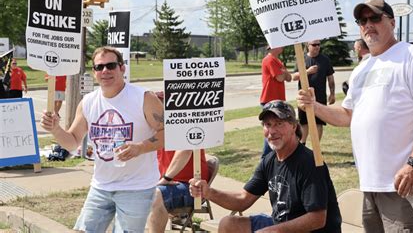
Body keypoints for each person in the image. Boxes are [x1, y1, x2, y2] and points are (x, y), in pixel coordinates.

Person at [297, 0, 413, 233]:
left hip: (401, 184)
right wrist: (314, 105)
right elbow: (347, 115)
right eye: (362, 20)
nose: (368, 24)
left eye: (375, 18)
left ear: (392, 22)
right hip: (369, 185)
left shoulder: (412, 56)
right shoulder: (362, 68)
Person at [40, 46, 164, 232]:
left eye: (111, 65)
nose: (105, 71)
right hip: (101, 186)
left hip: (136, 187)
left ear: (122, 68)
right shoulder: (88, 102)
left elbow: (168, 133)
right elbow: (73, 141)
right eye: (99, 67)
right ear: (94, 72)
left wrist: (140, 147)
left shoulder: (143, 98)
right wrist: (56, 129)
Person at [189, 100, 342, 233]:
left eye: (279, 124)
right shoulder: (269, 160)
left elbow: (317, 219)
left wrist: (274, 230)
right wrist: (208, 192)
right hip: (280, 224)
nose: (272, 131)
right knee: (229, 224)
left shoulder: (310, 162)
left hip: (311, 230)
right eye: (268, 125)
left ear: (294, 126)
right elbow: (243, 199)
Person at [148, 149, 209, 232]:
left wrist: (166, 178)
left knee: (155, 195)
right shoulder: (158, 136)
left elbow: (185, 150)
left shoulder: (180, 136)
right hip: (167, 183)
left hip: (193, 187)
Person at [291, 39, 335, 141]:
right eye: (314, 44)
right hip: (304, 96)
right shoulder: (302, 59)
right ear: (308, 45)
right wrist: (307, 71)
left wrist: (332, 94)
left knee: (318, 122)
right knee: (304, 122)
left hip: (320, 96)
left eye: (319, 44)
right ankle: (303, 144)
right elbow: (294, 77)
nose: (317, 47)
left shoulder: (325, 60)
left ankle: (317, 147)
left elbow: (330, 78)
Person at [260, 46, 292, 156]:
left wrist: (284, 72)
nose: (282, 46)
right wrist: (284, 72)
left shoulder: (277, 60)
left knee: (277, 130)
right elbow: (280, 78)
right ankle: (265, 158)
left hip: (278, 100)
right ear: (272, 47)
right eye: (279, 44)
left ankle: (274, 156)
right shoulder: (269, 60)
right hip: (269, 100)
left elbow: (289, 78)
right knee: (271, 131)